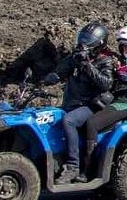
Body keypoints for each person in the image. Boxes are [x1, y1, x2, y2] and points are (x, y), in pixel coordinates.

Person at [79, 25, 127, 182]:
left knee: (92, 123)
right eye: (123, 45)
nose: (126, 49)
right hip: (114, 101)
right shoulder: (120, 60)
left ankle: (88, 169)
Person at [43, 22, 116, 184]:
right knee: (49, 119)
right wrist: (46, 81)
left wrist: (87, 65)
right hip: (71, 103)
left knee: (68, 121)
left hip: (90, 105)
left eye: (88, 41)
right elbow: (60, 71)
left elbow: (105, 83)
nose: (83, 44)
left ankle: (73, 166)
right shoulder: (76, 58)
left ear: (99, 44)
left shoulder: (106, 61)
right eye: (82, 39)